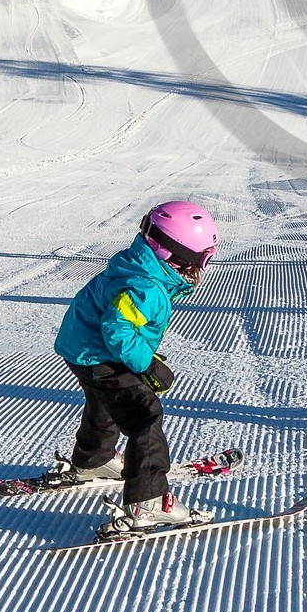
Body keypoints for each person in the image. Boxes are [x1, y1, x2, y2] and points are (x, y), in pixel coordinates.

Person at [54, 200, 220, 536]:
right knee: (144, 413)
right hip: (98, 352)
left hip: (81, 345)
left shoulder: (141, 263)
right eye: (203, 256)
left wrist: (144, 356)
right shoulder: (147, 287)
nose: (204, 265)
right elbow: (117, 330)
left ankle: (94, 458)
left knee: (105, 401)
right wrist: (146, 365)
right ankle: (148, 500)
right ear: (180, 255)